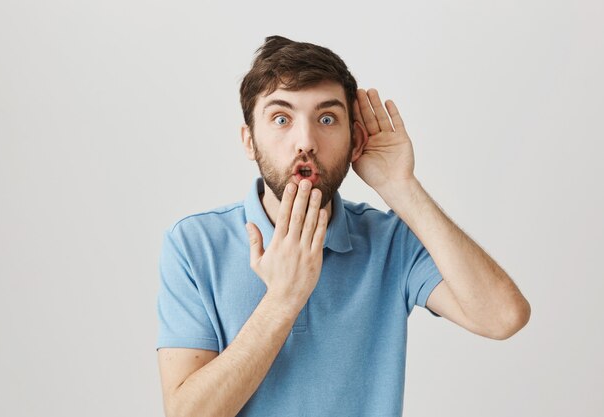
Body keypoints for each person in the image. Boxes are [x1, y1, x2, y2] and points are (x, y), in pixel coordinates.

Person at [155, 35, 531, 417]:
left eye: (327, 118)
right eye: (281, 118)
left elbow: (503, 318)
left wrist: (400, 186)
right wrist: (283, 299)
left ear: (355, 142)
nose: (306, 141)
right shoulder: (193, 245)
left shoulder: (390, 243)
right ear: (249, 141)